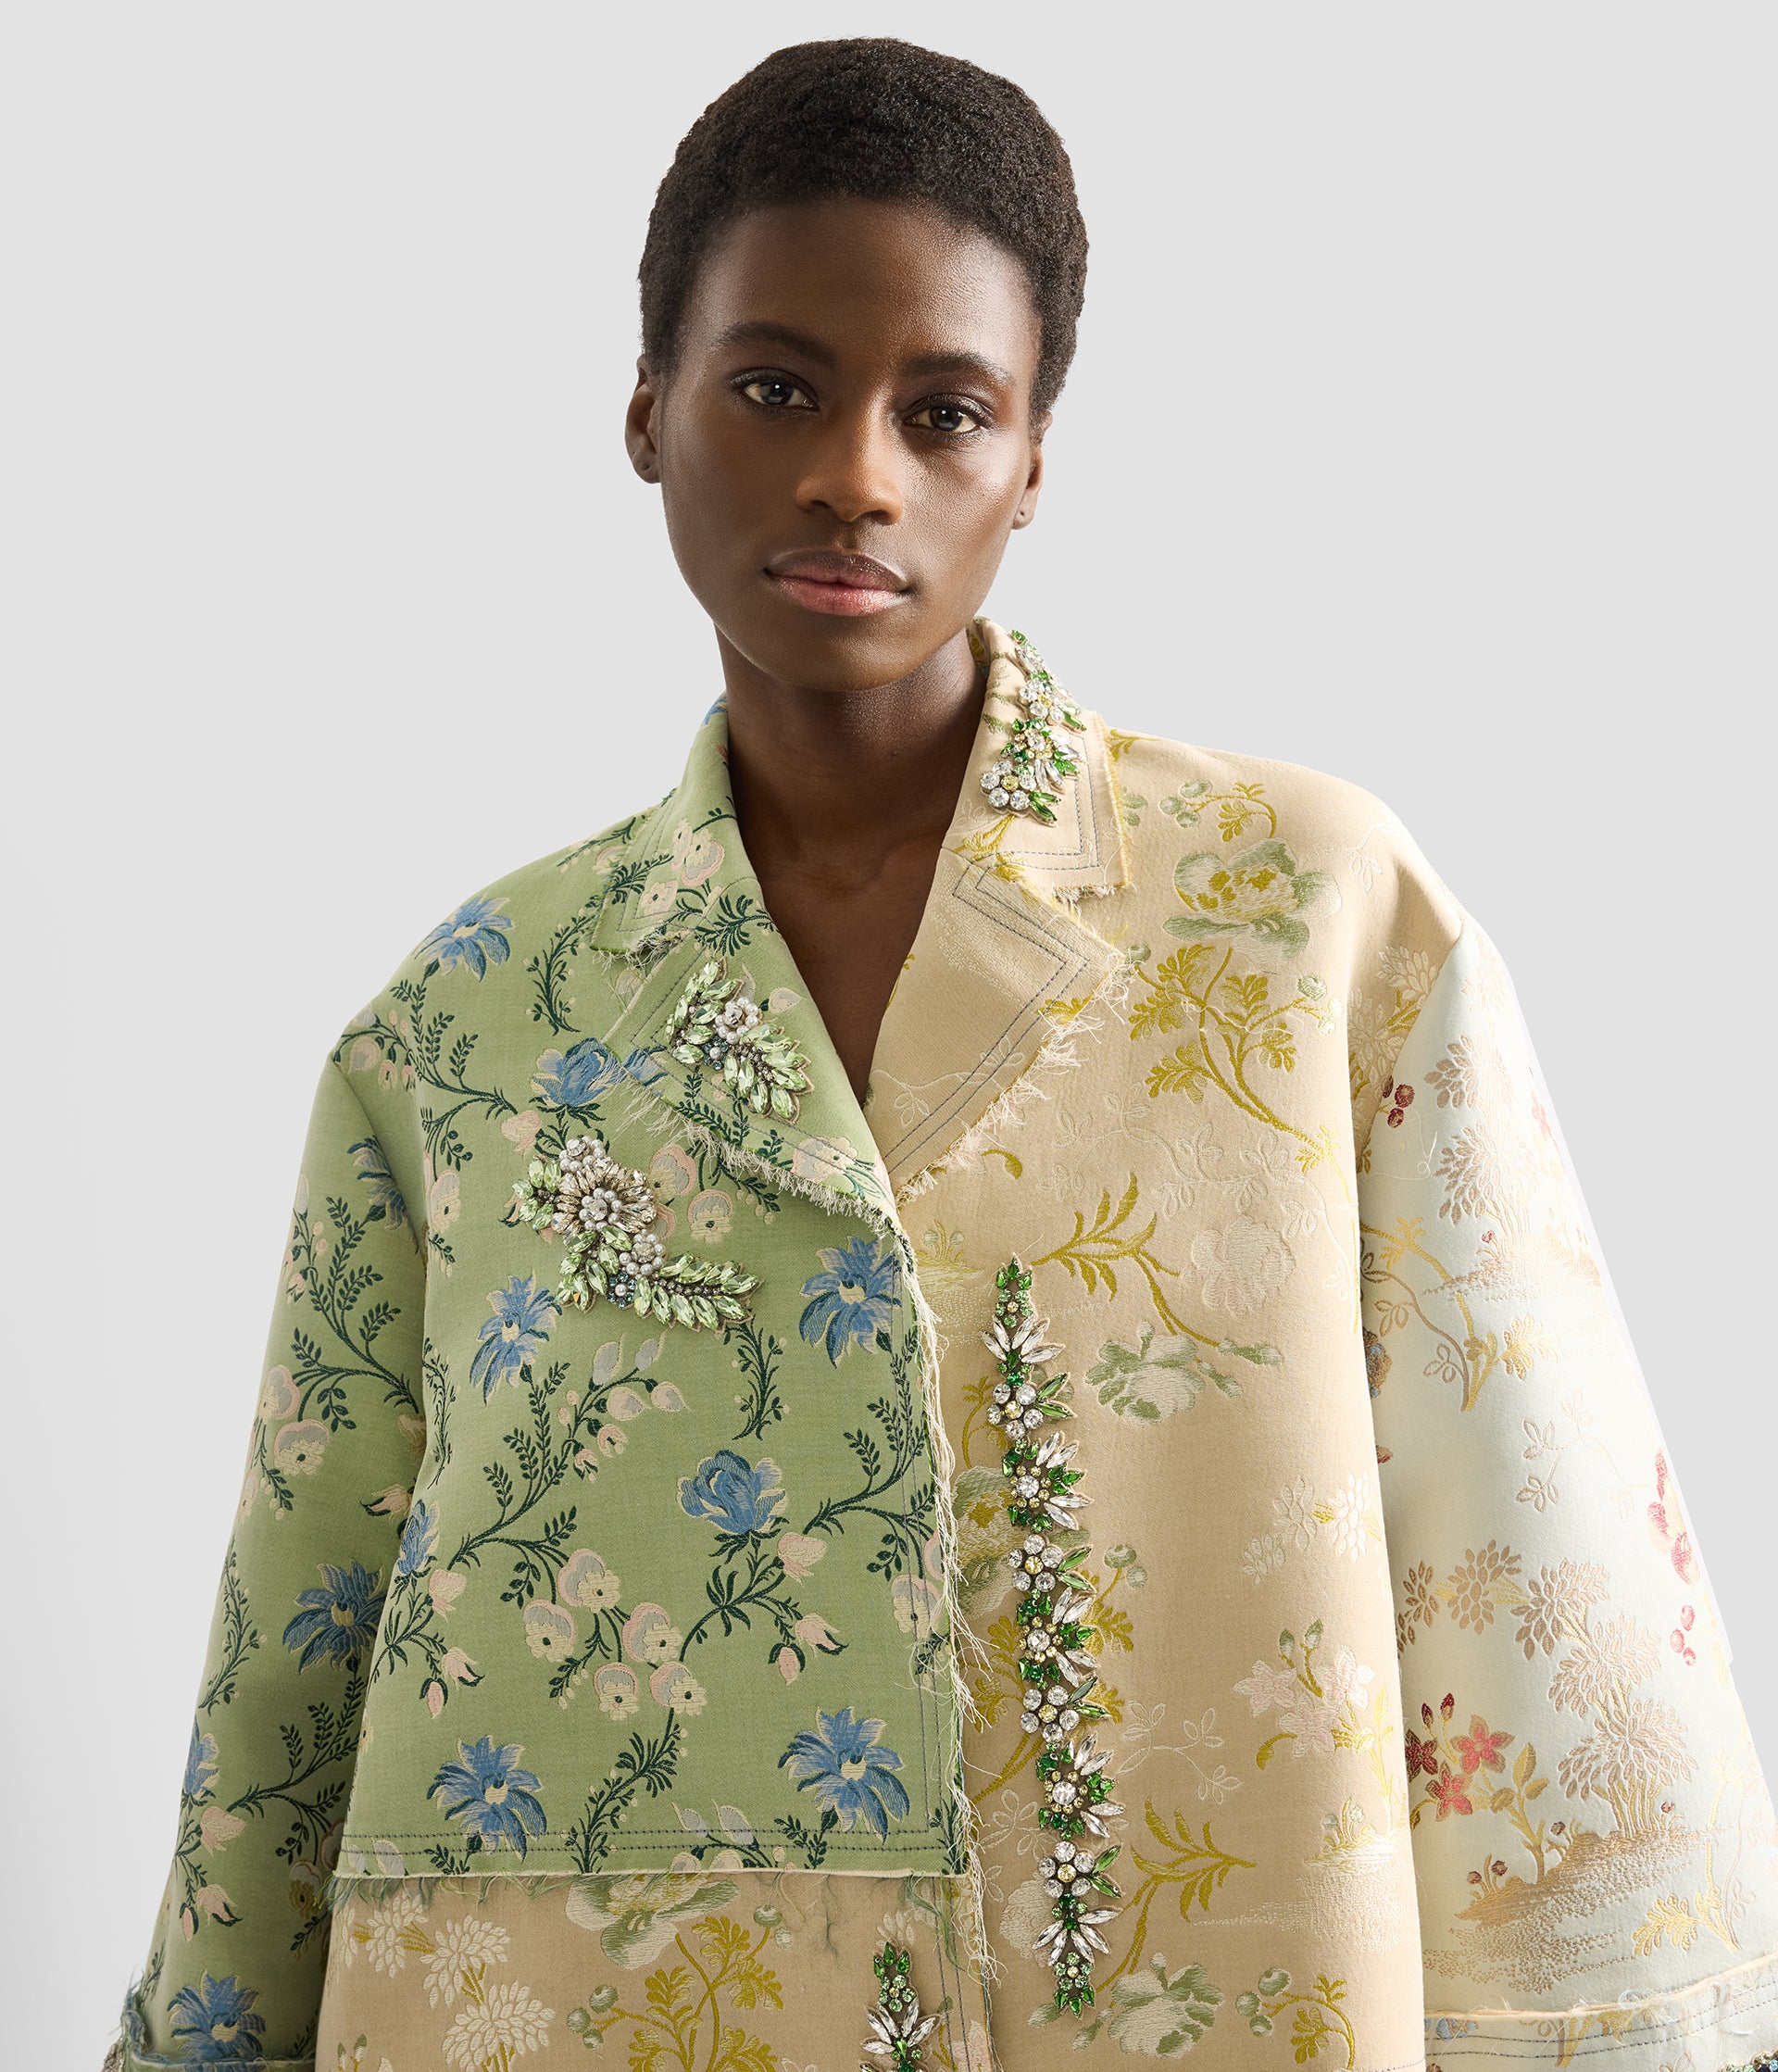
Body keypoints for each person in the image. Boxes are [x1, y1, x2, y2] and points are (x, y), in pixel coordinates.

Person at [110, 37, 1778, 2072]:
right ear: (646, 413)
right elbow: (301, 1649)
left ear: (1034, 460)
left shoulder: (1303, 921)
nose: (855, 476)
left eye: (946, 411)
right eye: (775, 388)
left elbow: (1528, 1554)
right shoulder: (466, 1026)